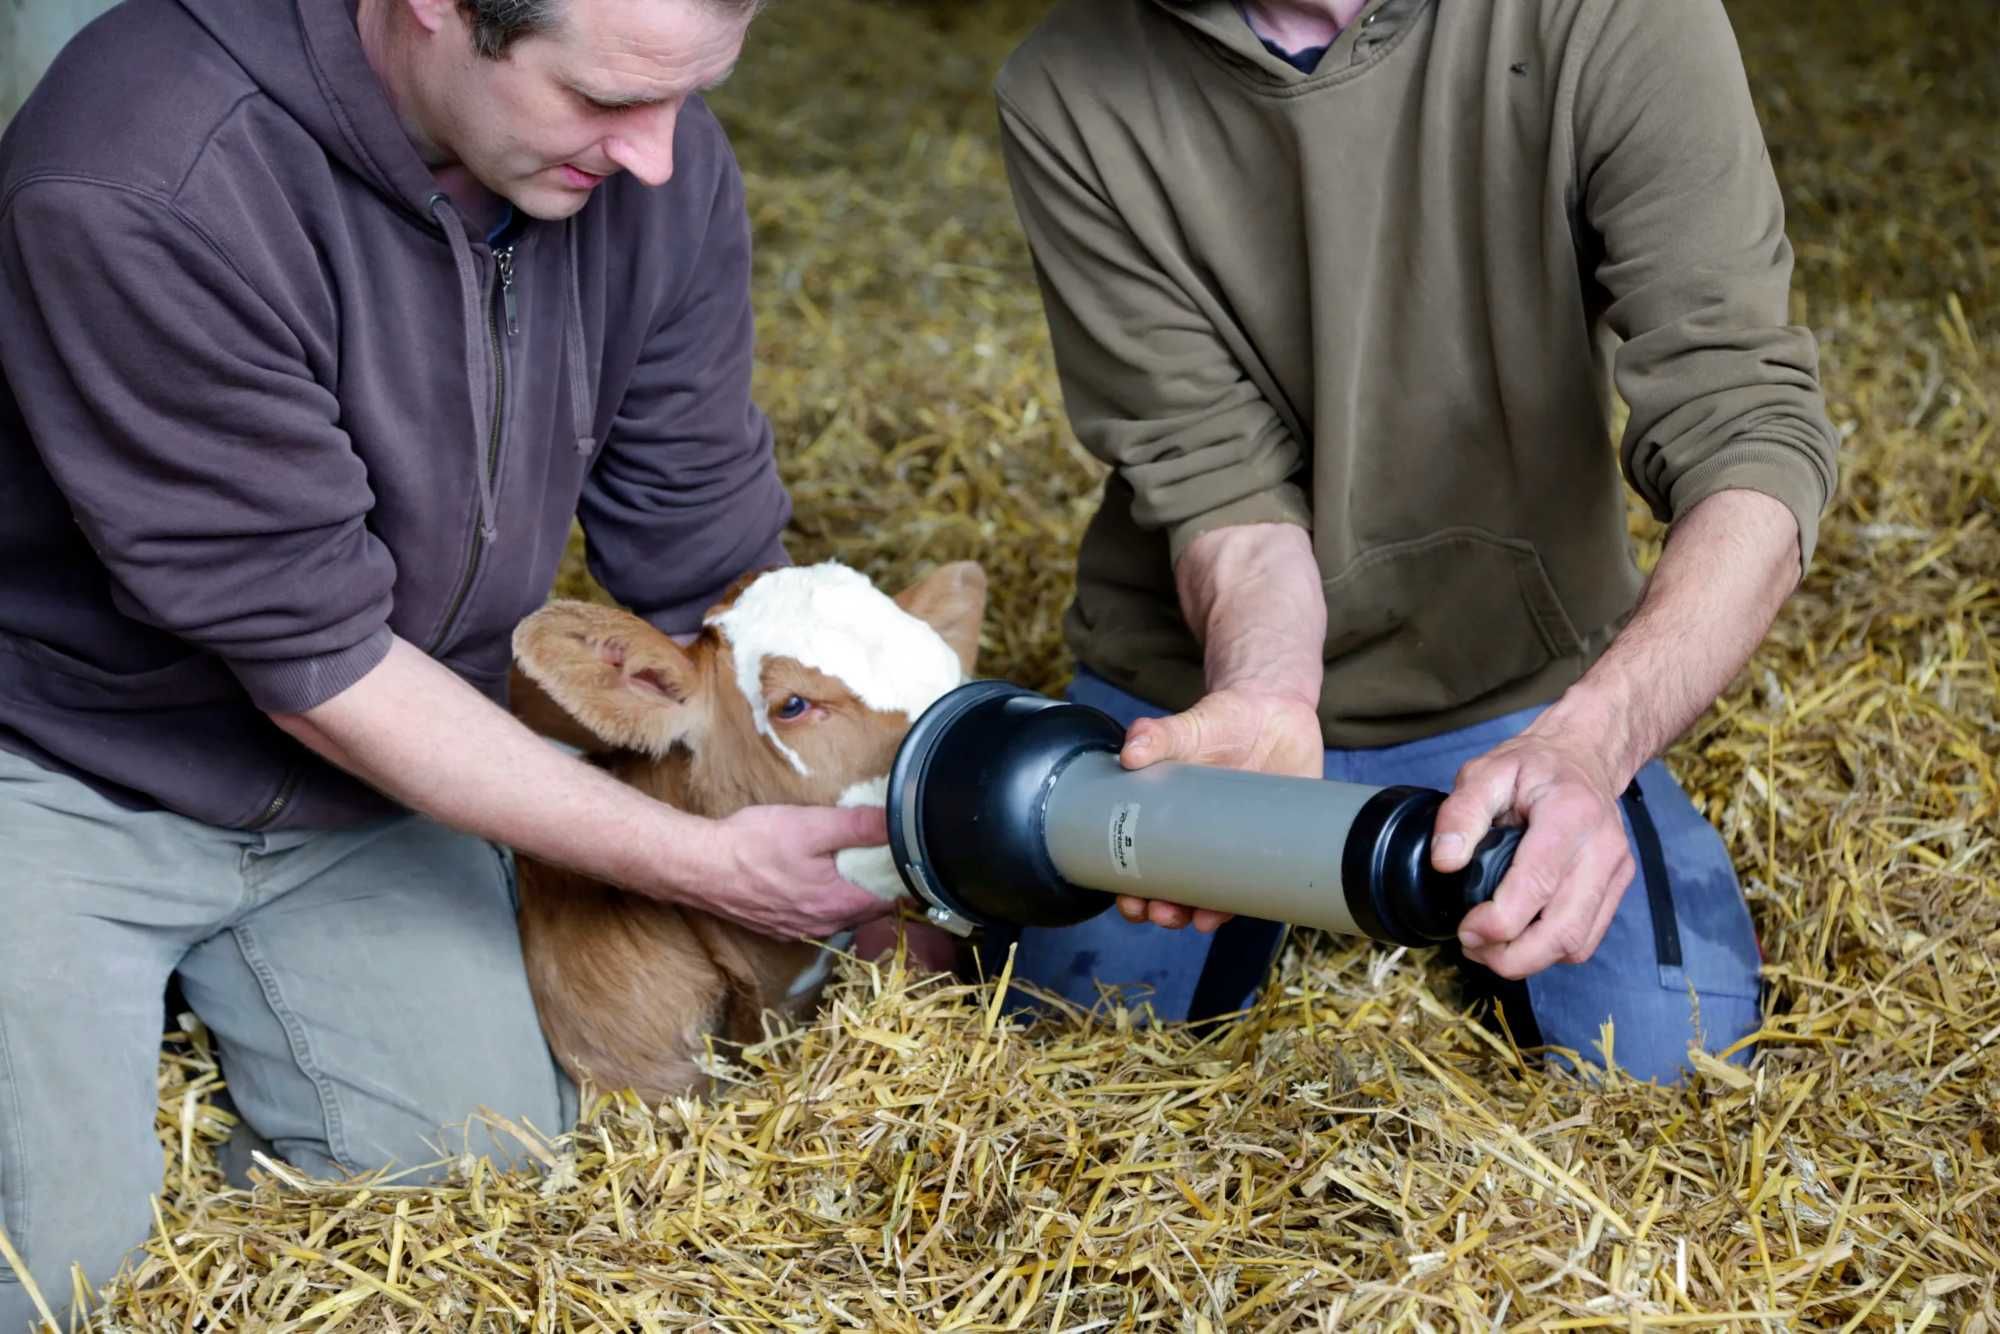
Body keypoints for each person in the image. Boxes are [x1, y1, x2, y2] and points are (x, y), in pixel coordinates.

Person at [0, 0, 900, 1322]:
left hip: (375, 791)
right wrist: (705, 865)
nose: (658, 153)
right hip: (60, 763)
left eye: (688, 94)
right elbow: (316, 659)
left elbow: (707, 550)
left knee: (471, 1176)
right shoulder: (152, 166)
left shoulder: (654, 166)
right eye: (603, 101)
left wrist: (884, 821)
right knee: (54, 1267)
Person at [981, 0, 1838, 1080]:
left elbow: (1747, 427)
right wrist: (1263, 692)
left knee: (1674, 1062)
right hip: (1198, 697)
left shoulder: (1614, 16)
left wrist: (1590, 740)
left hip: (1513, 680)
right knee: (1070, 1063)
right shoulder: (1067, 85)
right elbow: (1217, 485)